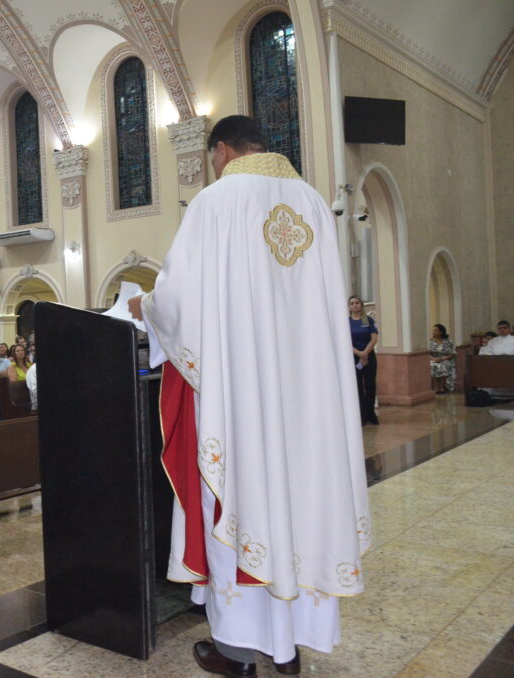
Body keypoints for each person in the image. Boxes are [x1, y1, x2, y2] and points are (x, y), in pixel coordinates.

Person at [128, 116, 369, 675]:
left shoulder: (217, 201)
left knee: (243, 498)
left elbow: (180, 299)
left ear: (222, 150)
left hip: (244, 402)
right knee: (301, 502)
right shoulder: (311, 202)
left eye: (213, 156)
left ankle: (239, 649)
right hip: (308, 400)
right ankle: (292, 643)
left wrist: (147, 307)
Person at [349, 296, 379, 425]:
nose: (355, 305)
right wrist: (359, 353)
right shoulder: (346, 322)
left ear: (361, 305)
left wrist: (365, 353)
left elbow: (374, 338)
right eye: (352, 303)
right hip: (354, 357)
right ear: (349, 307)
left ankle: (371, 414)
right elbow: (344, 341)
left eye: (357, 303)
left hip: (369, 357)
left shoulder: (368, 320)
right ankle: (361, 416)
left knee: (370, 386)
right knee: (358, 387)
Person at [429, 324, 457, 394]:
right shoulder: (430, 341)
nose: (433, 331)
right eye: (433, 330)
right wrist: (434, 359)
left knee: (443, 365)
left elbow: (453, 353)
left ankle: (441, 387)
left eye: (436, 330)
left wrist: (443, 358)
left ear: (441, 332)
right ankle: (436, 387)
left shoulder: (448, 341)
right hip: (434, 359)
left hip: (446, 359)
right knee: (433, 365)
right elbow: (427, 354)